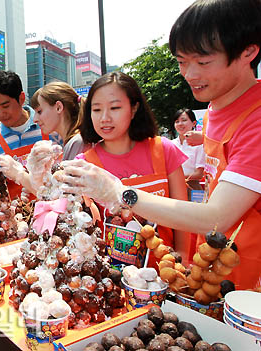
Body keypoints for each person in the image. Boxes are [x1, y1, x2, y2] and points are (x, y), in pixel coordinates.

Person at [59, 0, 261, 290]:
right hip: (213, 274)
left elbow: (216, 217)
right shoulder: (218, 106)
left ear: (248, 52)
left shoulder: (256, 117)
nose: (189, 74)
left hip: (249, 282)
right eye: (181, 62)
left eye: (203, 62)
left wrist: (120, 192)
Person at [77, 71, 190, 260]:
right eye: (96, 110)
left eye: (114, 108)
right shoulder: (84, 165)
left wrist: (183, 261)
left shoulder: (164, 149)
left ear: (134, 108)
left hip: (167, 272)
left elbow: (183, 215)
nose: (104, 117)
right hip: (112, 279)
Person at [0, 70, 48, 197]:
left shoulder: (47, 125)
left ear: (21, 98)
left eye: (5, 106)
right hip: (14, 214)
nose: (1, 114)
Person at [31, 81, 88, 160]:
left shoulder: (77, 143)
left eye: (39, 112)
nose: (35, 119)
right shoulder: (75, 141)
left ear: (58, 107)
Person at [171, 108, 206, 190]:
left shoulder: (199, 144)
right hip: (172, 187)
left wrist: (176, 177)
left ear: (194, 123)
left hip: (192, 187)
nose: (180, 124)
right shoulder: (171, 144)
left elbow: (199, 174)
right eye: (177, 121)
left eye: (184, 120)